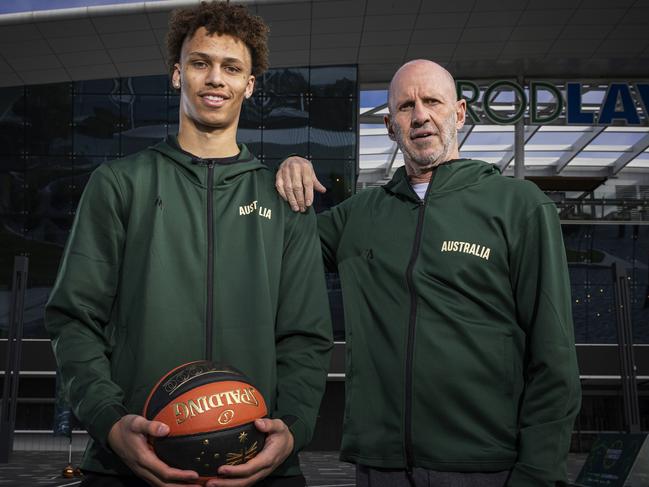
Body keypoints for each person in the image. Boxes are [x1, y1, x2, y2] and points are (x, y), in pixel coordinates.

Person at [45, 3, 332, 487]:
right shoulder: (119, 183)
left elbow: (305, 336)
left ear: (250, 85)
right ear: (178, 75)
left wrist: (295, 427)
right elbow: (74, 319)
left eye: (232, 67)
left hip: (258, 458)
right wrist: (110, 421)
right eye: (200, 63)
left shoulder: (285, 198)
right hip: (131, 456)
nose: (215, 78)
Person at [275, 59, 581, 487]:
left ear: (458, 113)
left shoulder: (519, 206)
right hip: (379, 467)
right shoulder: (358, 216)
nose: (420, 115)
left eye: (432, 101)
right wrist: (289, 167)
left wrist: (539, 471)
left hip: (486, 467)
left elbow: (553, 356)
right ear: (389, 125)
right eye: (405, 106)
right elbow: (274, 250)